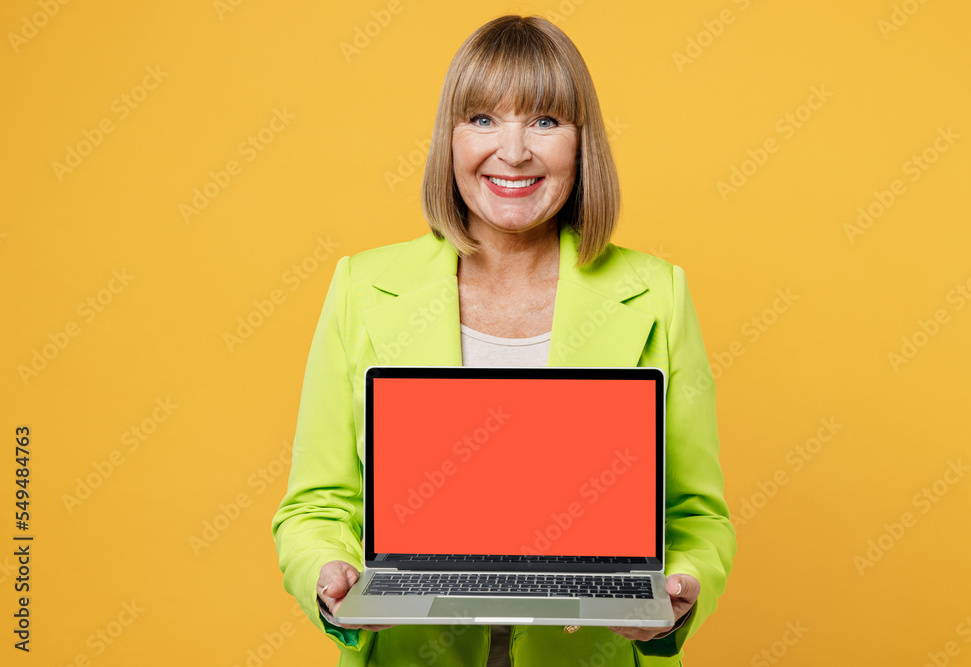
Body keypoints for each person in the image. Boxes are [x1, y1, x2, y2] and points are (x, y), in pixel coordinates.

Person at [271, 14, 736, 667]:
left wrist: (682, 588)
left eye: (545, 121)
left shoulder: (658, 293)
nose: (513, 152)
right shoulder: (362, 287)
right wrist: (327, 571)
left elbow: (696, 514)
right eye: (483, 119)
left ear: (582, 144)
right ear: (450, 138)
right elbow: (317, 504)